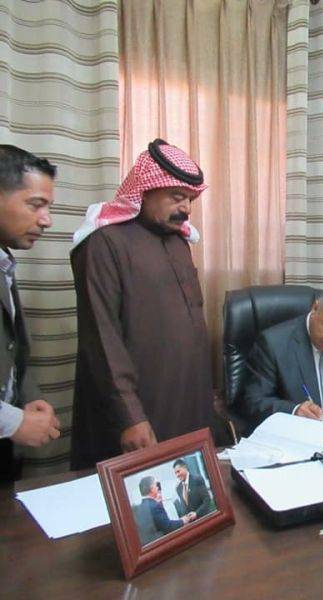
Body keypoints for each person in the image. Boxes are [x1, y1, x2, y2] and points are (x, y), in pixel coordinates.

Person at [70, 140, 215, 470]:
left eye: (190, 198)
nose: (186, 208)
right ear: (145, 191)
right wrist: (130, 415)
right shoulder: (104, 242)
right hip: (139, 408)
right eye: (176, 196)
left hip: (187, 399)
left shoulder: (178, 242)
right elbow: (101, 337)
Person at [0, 145, 61, 455]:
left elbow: (9, 349)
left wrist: (27, 395)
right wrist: (11, 422)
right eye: (35, 205)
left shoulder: (4, 262)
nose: (46, 220)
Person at [243, 283, 323, 426]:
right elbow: (254, 402)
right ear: (315, 308)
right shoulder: (273, 343)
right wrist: (294, 410)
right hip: (298, 434)